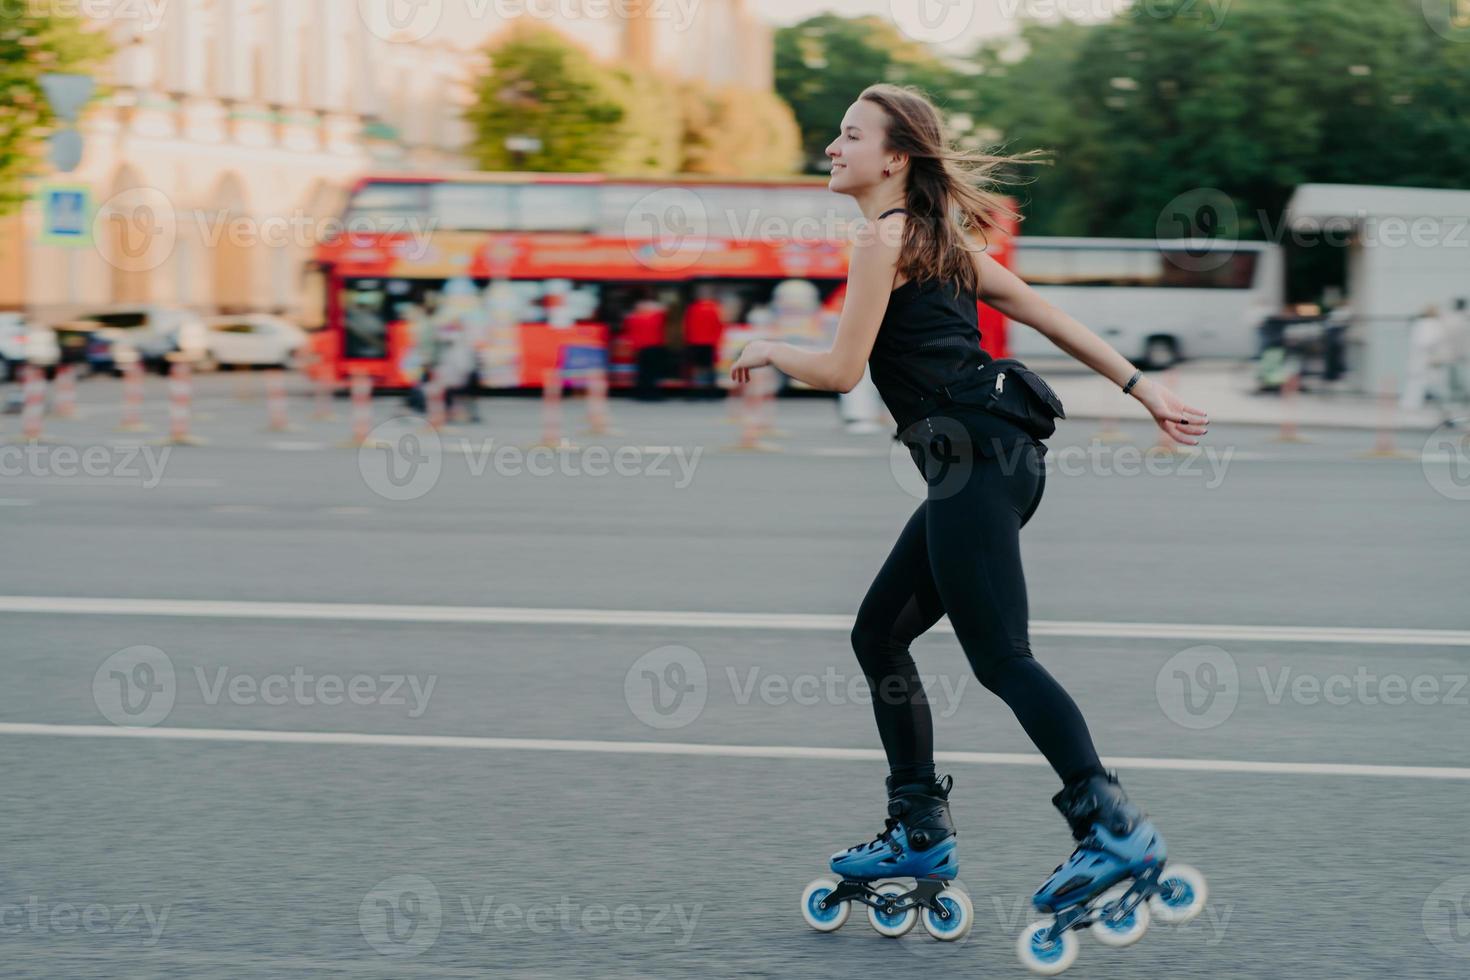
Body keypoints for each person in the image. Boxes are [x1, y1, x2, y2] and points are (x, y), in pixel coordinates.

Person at [730, 84, 1210, 966]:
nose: (831, 149)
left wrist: (767, 348)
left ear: (895, 158)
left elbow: (840, 371)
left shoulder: (884, 240)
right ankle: (918, 827)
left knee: (1002, 658)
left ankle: (1112, 828)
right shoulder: (939, 243)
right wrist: (1147, 391)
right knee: (879, 633)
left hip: (975, 463)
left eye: (848, 136)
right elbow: (1049, 314)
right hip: (991, 462)